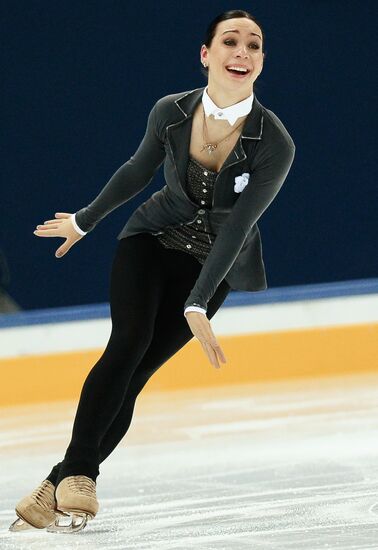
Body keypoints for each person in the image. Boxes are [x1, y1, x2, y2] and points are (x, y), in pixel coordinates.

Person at [10, 9, 295, 533]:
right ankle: (79, 475)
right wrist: (83, 221)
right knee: (127, 345)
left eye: (254, 46)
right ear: (206, 55)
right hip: (151, 239)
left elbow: (238, 229)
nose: (243, 52)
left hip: (215, 265)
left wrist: (198, 299)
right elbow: (138, 170)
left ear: (261, 62)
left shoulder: (274, 142)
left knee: (136, 376)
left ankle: (61, 482)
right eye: (230, 41)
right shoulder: (171, 111)